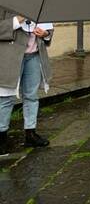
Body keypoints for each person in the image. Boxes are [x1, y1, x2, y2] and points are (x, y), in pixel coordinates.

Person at [0, 12, 53, 154]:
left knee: (31, 96)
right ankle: (1, 137)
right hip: (11, 58)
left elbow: (49, 29)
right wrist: (17, 19)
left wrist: (46, 33)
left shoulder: (39, 4)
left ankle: (30, 134)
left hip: (34, 56)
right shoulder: (5, 3)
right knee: (5, 97)